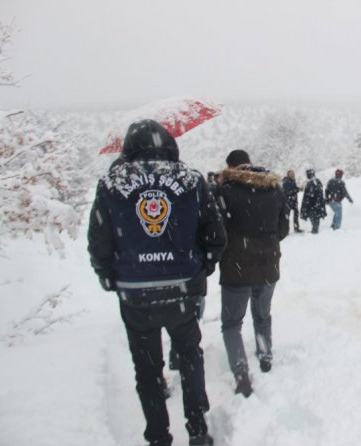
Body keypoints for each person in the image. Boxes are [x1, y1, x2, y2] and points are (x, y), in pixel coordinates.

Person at [88, 119, 227, 446]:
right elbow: (215, 234)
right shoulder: (191, 180)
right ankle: (197, 430)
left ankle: (158, 436)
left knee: (147, 371)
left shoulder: (111, 183)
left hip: (136, 295)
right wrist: (201, 269)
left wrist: (110, 276)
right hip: (182, 288)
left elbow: (99, 240)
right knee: (191, 359)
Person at [216, 149, 290, 397]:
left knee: (231, 324)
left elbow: (219, 232)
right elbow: (282, 228)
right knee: (262, 315)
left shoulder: (225, 191)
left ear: (230, 166)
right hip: (268, 264)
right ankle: (265, 355)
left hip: (236, 268)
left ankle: (240, 372)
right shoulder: (274, 188)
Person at [300, 169, 327, 233]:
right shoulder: (316, 181)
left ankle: (315, 230)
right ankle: (315, 229)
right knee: (315, 216)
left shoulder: (312, 182)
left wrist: (308, 201)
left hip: (312, 203)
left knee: (313, 216)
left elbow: (310, 194)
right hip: (317, 203)